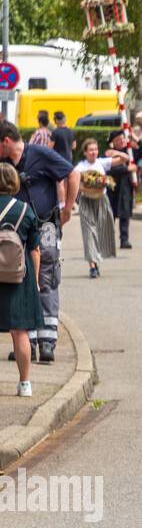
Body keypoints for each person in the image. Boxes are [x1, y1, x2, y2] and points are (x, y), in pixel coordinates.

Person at [0, 121, 75, 366]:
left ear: (6, 141)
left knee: (47, 278)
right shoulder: (6, 165)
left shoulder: (39, 154)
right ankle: (28, 343)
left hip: (46, 226)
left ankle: (47, 342)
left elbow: (72, 173)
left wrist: (67, 210)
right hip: (19, 231)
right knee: (22, 279)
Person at [0, 162, 40, 396]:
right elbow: (34, 249)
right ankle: (25, 384)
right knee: (20, 332)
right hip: (19, 277)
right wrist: (34, 280)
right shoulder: (26, 210)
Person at [73, 139, 120, 279]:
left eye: (95, 149)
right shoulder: (80, 167)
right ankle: (92, 266)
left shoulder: (102, 162)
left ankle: (97, 256)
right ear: (85, 152)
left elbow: (126, 159)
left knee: (103, 230)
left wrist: (115, 152)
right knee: (89, 233)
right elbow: (72, 182)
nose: (93, 152)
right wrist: (84, 188)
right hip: (86, 202)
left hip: (102, 201)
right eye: (91, 150)